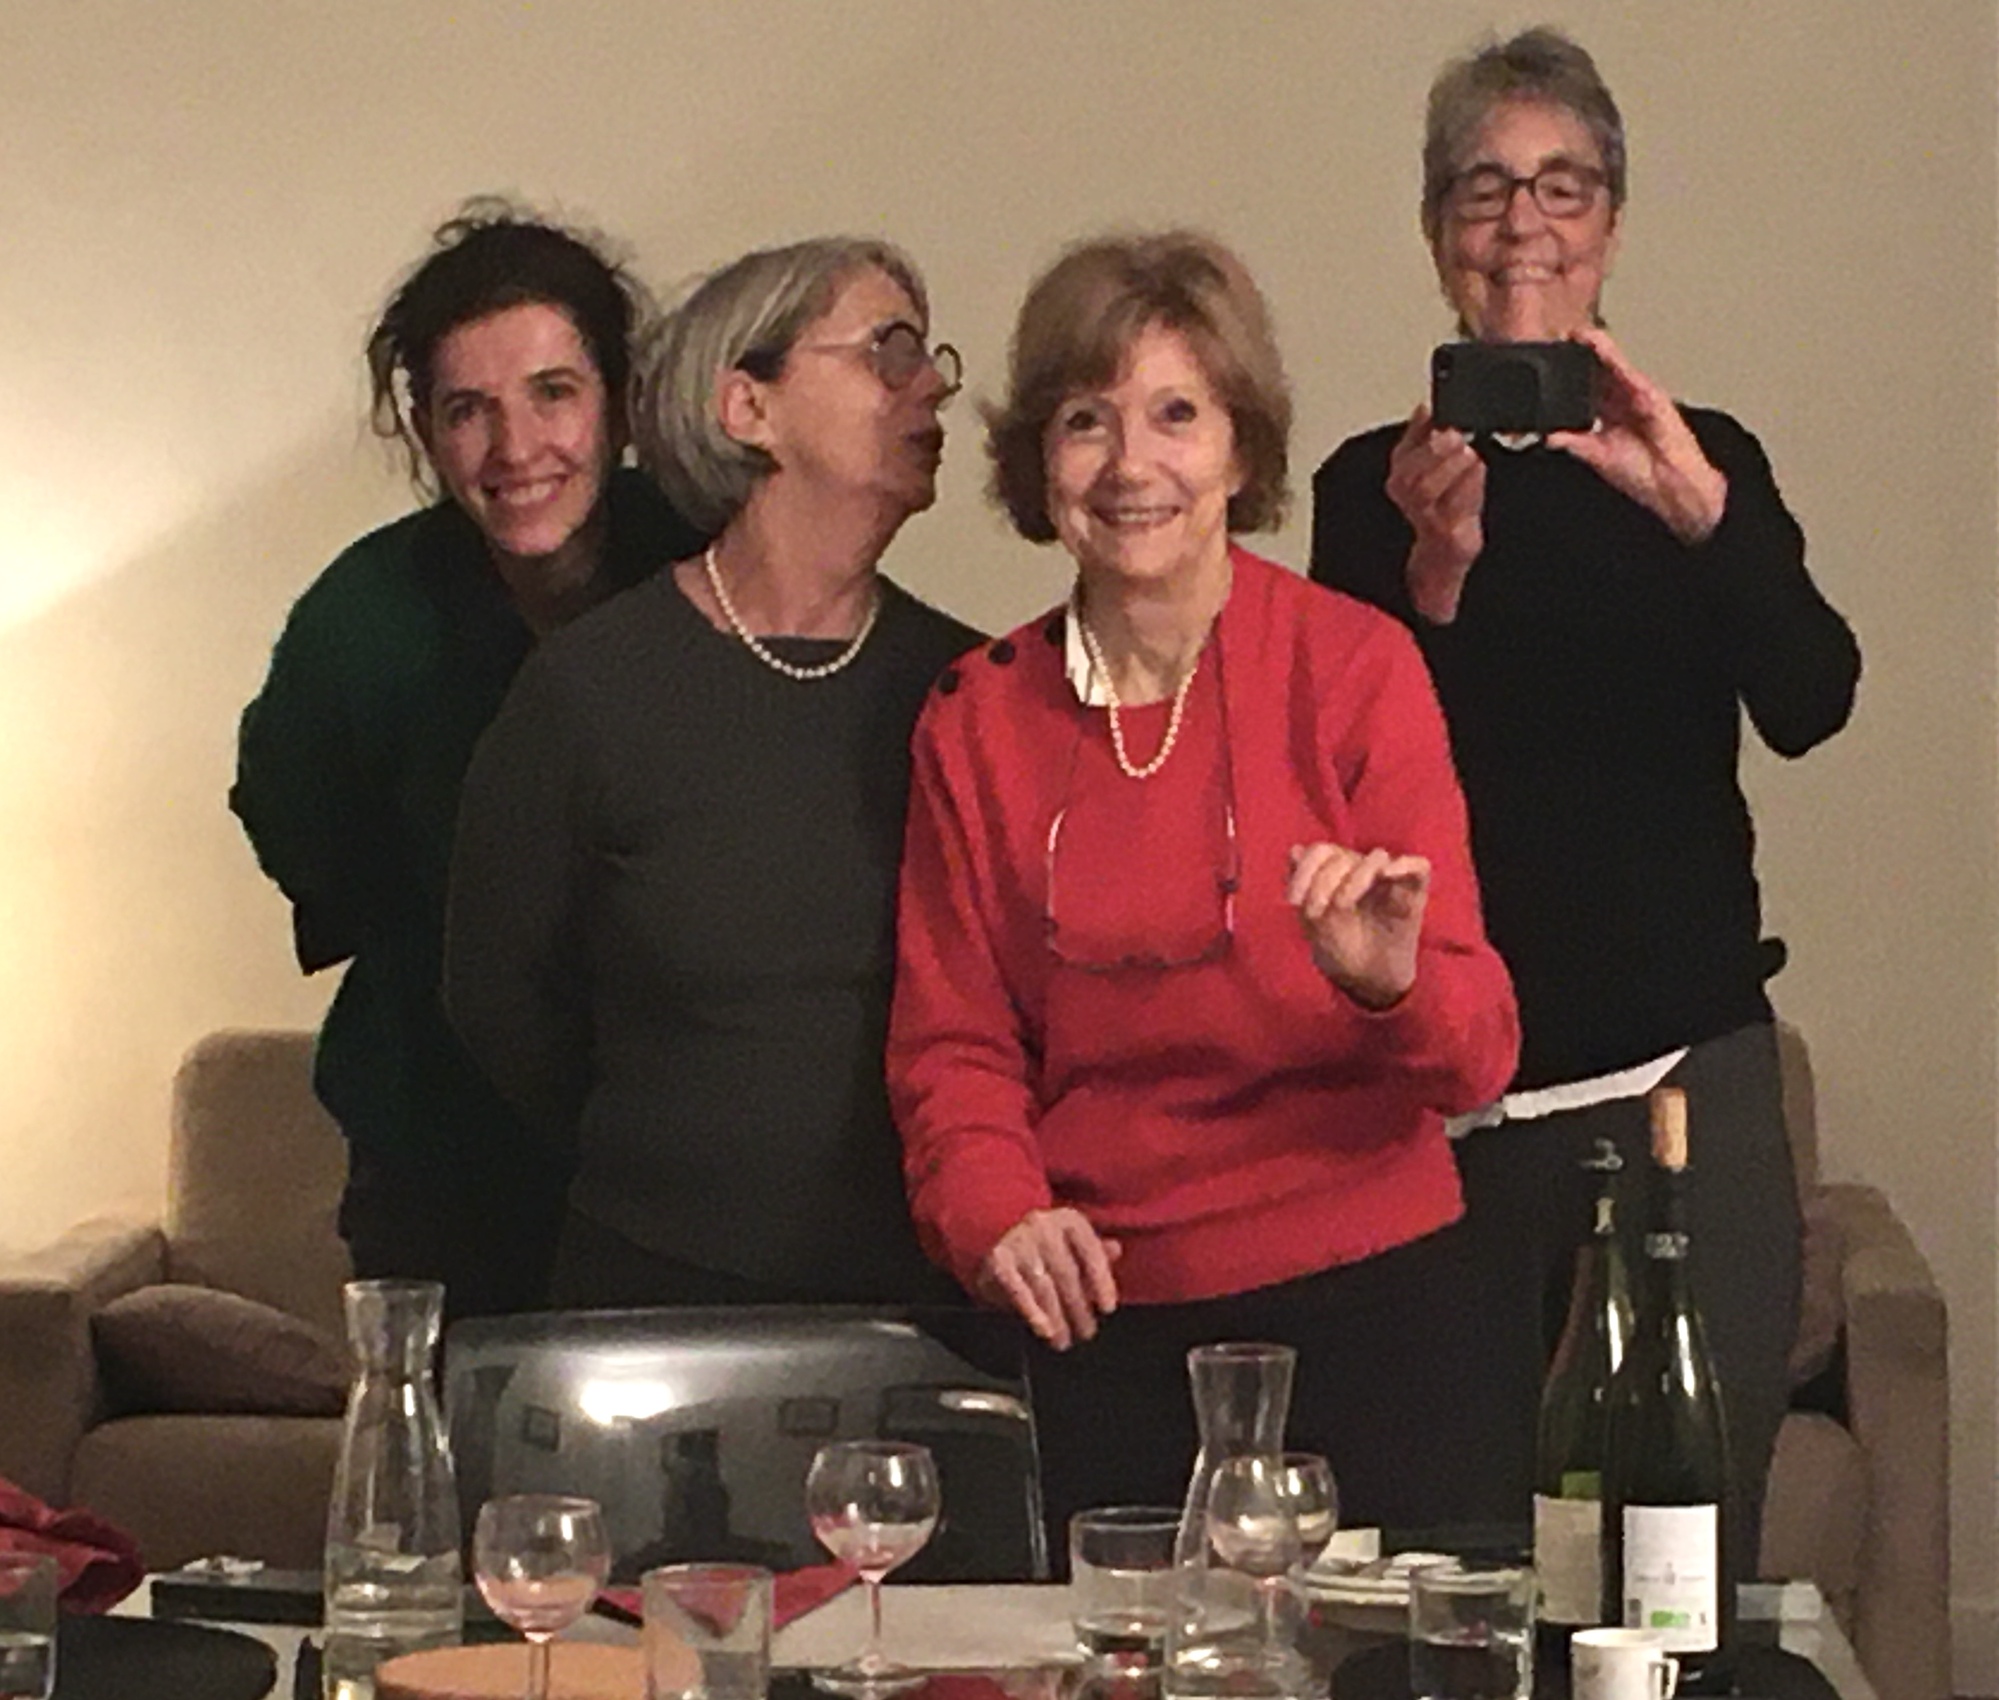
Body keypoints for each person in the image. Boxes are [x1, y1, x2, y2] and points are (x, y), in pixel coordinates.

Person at [1310, 29, 1860, 1572]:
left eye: (1560, 187)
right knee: (1456, 1572)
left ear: (1609, 223)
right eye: (1481, 188)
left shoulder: (1706, 461)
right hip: (1448, 1110)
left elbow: (1811, 699)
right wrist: (1430, 577)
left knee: (1673, 1571)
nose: (1520, 226)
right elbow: (1342, 785)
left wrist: (1698, 511)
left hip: (1680, 1086)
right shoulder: (1367, 488)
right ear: (1435, 230)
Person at [888, 230, 1530, 1546]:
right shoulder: (974, 718)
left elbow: (1477, 1051)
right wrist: (995, 1214)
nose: (1131, 465)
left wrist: (1388, 984)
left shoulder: (1354, 668)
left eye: (1176, 414)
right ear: (1039, 462)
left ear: (1240, 451)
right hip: (1102, 1328)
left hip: (1375, 1313)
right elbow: (951, 1046)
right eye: (1086, 420)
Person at [446, 237, 978, 1309]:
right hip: (656, 1286)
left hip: (924, 1298)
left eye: (927, 357)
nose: (928, 387)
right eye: (887, 351)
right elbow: (499, 1002)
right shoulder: (591, 690)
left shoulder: (967, 689)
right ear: (747, 406)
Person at [232, 203, 702, 1320]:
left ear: (620, 401)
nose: (516, 447)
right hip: (439, 1153)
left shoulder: (704, 560)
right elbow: (295, 823)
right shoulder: (362, 617)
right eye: (468, 410)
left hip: (680, 1159)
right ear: (424, 430)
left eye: (553, 393)